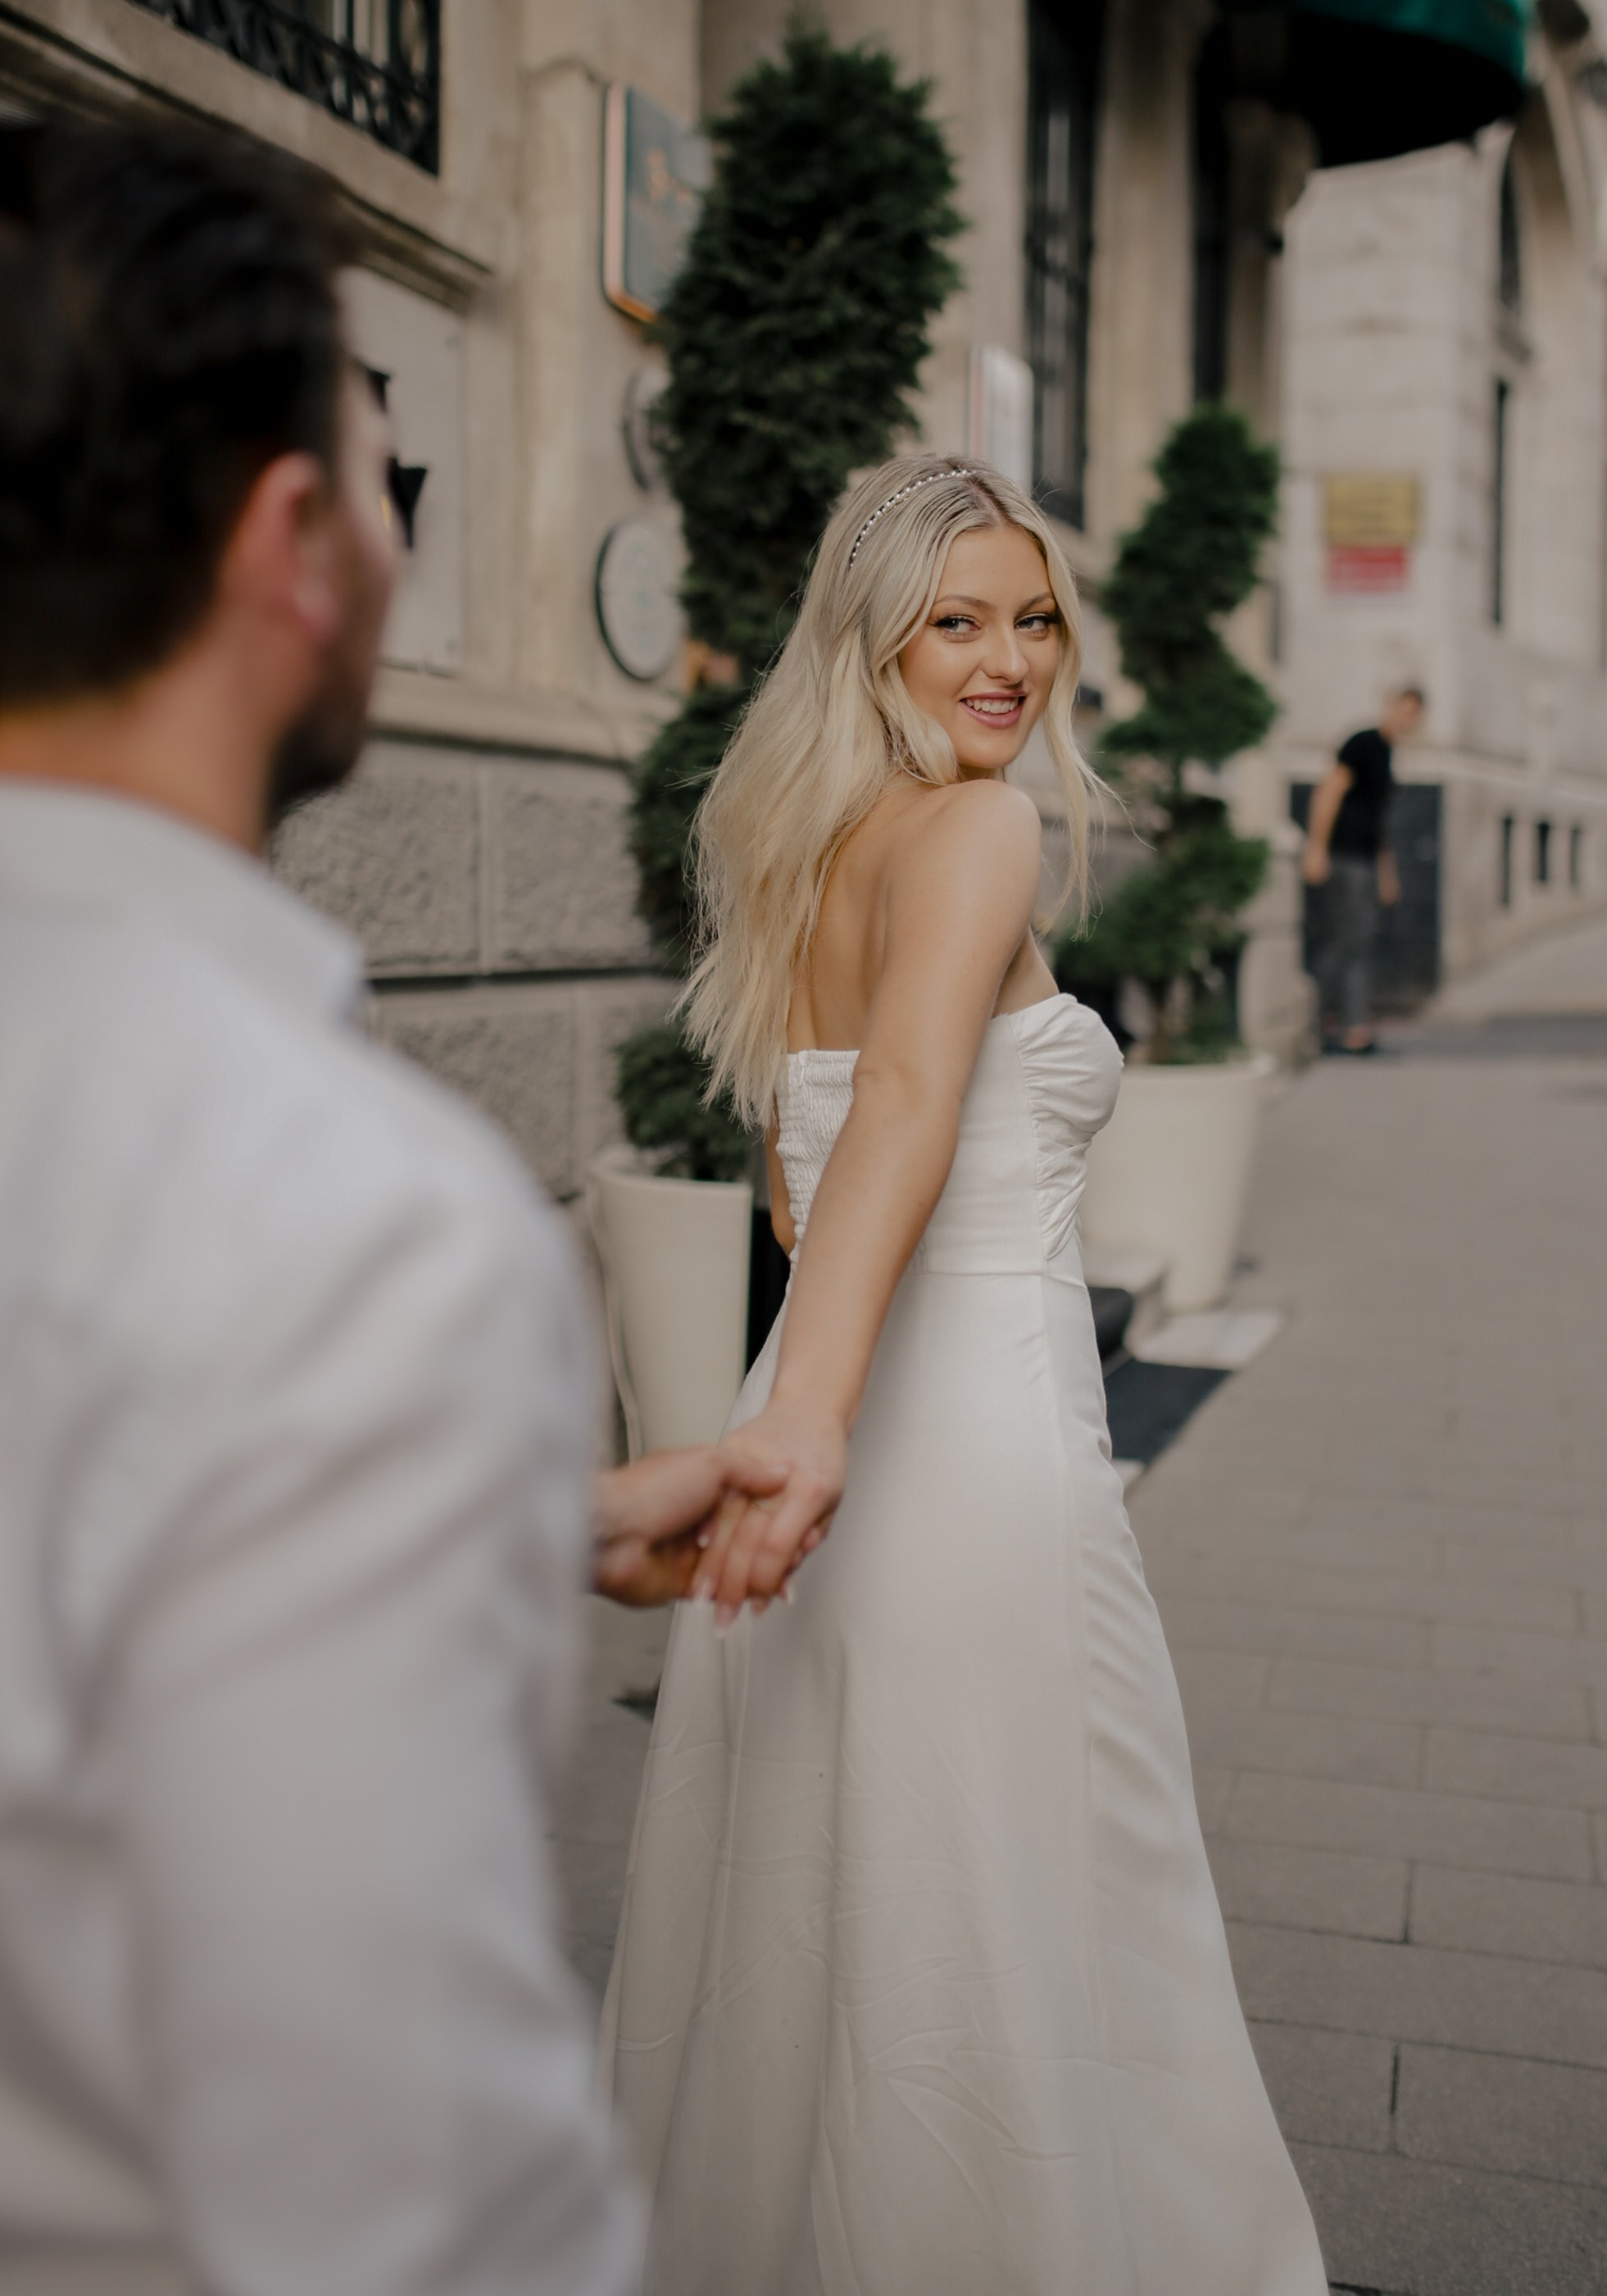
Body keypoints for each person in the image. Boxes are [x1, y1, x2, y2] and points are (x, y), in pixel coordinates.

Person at [0, 114, 786, 2295]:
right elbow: (406, 2192)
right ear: (288, 547)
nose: (388, 533)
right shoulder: (349, 1220)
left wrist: (509, 1505)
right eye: (386, 473)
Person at [596, 456, 1327, 2296]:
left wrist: (789, 1406)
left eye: (1030, 615)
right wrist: (808, 1423)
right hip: (968, 1446)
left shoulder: (800, 854)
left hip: (834, 1439)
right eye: (955, 620)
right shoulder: (975, 833)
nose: (1008, 660)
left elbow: (798, 1163)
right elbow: (906, 1108)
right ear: (874, 639)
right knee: (1032, 1925)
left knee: (820, 1938)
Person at [1300, 684, 1425, 1054]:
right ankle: (1345, 1027)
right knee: (1350, 943)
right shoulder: (1363, 743)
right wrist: (1316, 849)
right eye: (1404, 710)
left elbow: (1378, 822)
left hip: (1366, 861)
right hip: (1345, 857)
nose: (1407, 720)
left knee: (1353, 940)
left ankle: (1334, 1024)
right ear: (1390, 706)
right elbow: (1328, 792)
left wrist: (1387, 874)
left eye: (1414, 715)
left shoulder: (1386, 753)